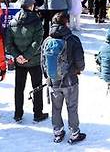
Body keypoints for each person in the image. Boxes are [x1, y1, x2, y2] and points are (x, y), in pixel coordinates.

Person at [42, 12, 86, 144]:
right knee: (72, 107)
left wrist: (48, 77)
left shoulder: (47, 40)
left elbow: (42, 61)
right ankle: (74, 133)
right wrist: (78, 70)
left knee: (56, 108)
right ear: (66, 23)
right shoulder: (72, 40)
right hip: (70, 80)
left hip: (53, 81)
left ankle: (58, 132)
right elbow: (80, 63)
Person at [6, 0, 47, 123]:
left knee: (19, 88)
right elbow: (37, 41)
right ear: (30, 6)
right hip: (33, 60)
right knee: (37, 87)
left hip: (19, 62)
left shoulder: (13, 21)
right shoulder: (36, 21)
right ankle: (37, 113)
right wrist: (27, 56)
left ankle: (18, 113)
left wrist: (18, 56)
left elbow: (8, 43)